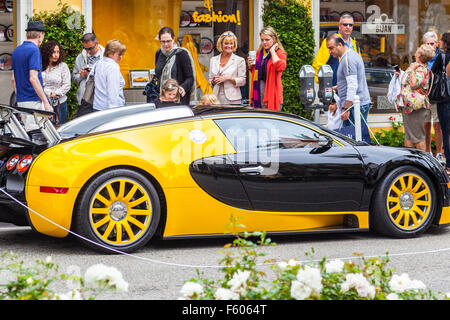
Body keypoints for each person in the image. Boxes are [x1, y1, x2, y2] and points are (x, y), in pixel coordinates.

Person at [11, 20, 53, 131]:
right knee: (38, 136)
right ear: (40, 35)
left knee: (27, 133)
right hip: (34, 101)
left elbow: (13, 79)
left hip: (22, 100)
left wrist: (20, 102)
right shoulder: (34, 50)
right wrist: (45, 102)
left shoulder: (17, 50)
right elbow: (33, 78)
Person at [396, 44, 436, 151]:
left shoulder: (419, 69)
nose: (416, 50)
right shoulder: (419, 68)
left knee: (418, 138)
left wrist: (412, 70)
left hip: (415, 108)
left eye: (418, 49)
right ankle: (409, 162)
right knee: (410, 136)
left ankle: (423, 164)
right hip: (410, 106)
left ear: (419, 54)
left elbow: (414, 84)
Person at [326, 34, 371, 127]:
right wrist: (339, 87)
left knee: (353, 139)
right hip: (357, 104)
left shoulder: (348, 59)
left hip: (354, 106)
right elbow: (354, 80)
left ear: (340, 45)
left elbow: (352, 85)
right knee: (359, 137)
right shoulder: (353, 55)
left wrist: (346, 108)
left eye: (331, 48)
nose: (330, 52)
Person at [313, 14, 361, 85]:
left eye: (350, 25)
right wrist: (324, 85)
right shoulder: (329, 42)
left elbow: (359, 65)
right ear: (339, 26)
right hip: (335, 87)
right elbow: (318, 65)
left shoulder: (354, 43)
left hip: (351, 86)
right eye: (345, 25)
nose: (348, 27)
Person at [248, 26, 287, 111]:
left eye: (267, 40)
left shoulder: (280, 53)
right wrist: (250, 65)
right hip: (258, 91)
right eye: (262, 40)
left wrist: (272, 51)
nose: (264, 42)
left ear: (274, 39)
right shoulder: (260, 52)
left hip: (272, 92)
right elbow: (255, 71)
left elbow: (280, 67)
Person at [154, 27, 196, 105]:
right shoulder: (158, 53)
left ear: (173, 39)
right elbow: (158, 76)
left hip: (178, 99)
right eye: (163, 41)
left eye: (168, 41)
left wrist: (182, 87)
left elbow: (190, 78)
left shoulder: (182, 54)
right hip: (162, 99)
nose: (166, 44)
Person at [423, 32, 444, 163]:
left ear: (437, 43)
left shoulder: (442, 56)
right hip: (424, 96)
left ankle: (439, 153)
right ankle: (427, 151)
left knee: (437, 126)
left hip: (437, 95)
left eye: (432, 43)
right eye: (428, 43)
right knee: (425, 124)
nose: (430, 46)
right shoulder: (421, 56)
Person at [209, 31, 246, 104]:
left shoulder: (239, 60)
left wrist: (228, 78)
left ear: (234, 45)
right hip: (215, 98)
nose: (229, 46)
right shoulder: (213, 60)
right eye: (226, 43)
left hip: (233, 99)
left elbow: (243, 81)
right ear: (221, 44)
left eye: (231, 43)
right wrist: (213, 81)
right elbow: (210, 80)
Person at [431, 33, 450, 173]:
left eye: (441, 40)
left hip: (445, 98)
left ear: (445, 43)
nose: (439, 42)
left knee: (446, 131)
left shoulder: (442, 56)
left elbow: (432, 74)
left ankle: (449, 164)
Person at [41, 40, 71, 124]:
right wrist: (48, 93)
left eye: (58, 52)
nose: (56, 55)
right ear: (47, 53)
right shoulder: (40, 65)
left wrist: (56, 93)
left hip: (59, 103)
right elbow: (38, 83)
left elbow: (67, 85)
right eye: (53, 52)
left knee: (59, 127)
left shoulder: (63, 66)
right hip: (43, 102)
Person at [72, 33, 105, 109]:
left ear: (97, 44)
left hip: (101, 99)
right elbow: (74, 78)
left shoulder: (106, 56)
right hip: (85, 99)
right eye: (85, 49)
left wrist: (92, 74)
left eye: (90, 48)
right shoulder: (80, 57)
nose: (88, 52)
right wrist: (81, 75)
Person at [92, 39, 126, 111]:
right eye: (119, 54)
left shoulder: (99, 62)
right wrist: (113, 111)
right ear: (110, 53)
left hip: (97, 105)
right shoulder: (113, 67)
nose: (121, 57)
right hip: (109, 109)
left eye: (122, 54)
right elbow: (113, 91)